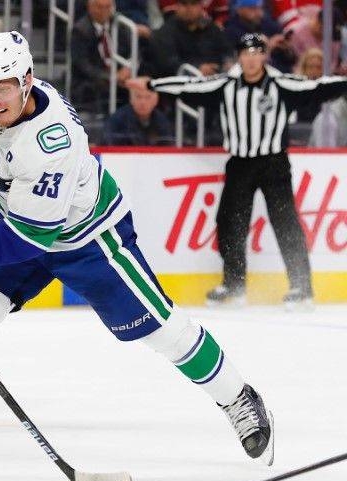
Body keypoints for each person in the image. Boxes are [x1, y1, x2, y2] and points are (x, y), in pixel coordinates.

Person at [0, 31, 275, 474]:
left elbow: (26, 240)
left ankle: (238, 397)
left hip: (88, 238)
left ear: (27, 81)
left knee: (162, 330)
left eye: (4, 88)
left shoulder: (51, 141)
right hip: (19, 225)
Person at [128, 33, 347, 308]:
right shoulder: (226, 85)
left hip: (274, 164)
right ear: (239, 57)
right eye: (246, 53)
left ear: (265, 56)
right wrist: (152, 84)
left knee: (286, 224)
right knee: (230, 222)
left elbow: (319, 87)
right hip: (240, 163)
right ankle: (234, 284)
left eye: (257, 53)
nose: (252, 58)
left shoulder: (282, 84)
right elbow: (189, 87)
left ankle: (302, 287)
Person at [103, 83, 173, 145]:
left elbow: (169, 145)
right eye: (138, 97)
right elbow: (108, 144)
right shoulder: (117, 119)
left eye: (148, 97)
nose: (142, 102)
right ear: (131, 99)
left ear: (155, 101)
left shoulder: (162, 120)